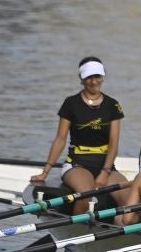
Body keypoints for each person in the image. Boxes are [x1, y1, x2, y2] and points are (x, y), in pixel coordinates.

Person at [30, 57, 130, 214]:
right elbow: (60, 139)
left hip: (106, 165)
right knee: (86, 195)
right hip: (77, 164)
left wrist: (105, 172)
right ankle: (76, 232)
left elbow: (114, 143)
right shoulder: (71, 104)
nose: (94, 81)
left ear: (102, 77)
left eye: (97, 76)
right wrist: (45, 171)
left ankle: (123, 232)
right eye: (89, 77)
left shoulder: (113, 105)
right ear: (81, 79)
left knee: (129, 200)